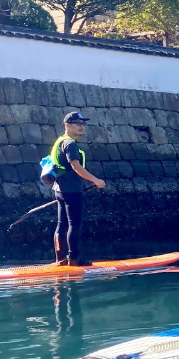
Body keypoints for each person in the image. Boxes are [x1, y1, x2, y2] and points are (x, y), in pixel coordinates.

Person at [43, 111, 105, 266]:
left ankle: (60, 259)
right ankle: (74, 259)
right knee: (74, 224)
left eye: (82, 123)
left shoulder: (61, 141)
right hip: (71, 191)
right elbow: (76, 167)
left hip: (60, 190)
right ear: (67, 125)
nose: (81, 126)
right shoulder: (70, 144)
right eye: (77, 123)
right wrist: (96, 180)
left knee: (61, 224)